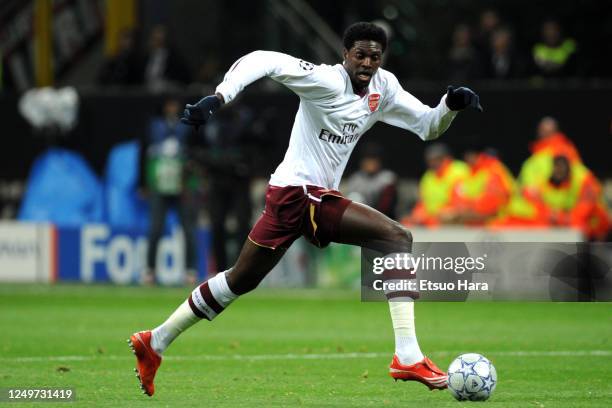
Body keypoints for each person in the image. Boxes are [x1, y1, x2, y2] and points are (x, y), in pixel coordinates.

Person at [128, 22, 482, 396]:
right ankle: (407, 355)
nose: (366, 63)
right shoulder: (324, 81)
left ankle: (156, 341)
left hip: (292, 195)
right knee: (397, 237)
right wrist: (219, 97)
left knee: (239, 280)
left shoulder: (385, 87)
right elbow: (264, 59)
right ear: (345, 55)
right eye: (359, 54)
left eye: (374, 56)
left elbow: (427, 127)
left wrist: (449, 106)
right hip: (299, 192)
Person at [139, 97, 199, 285]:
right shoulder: (154, 127)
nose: (172, 108)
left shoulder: (187, 126)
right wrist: (143, 183)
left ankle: (190, 270)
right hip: (159, 184)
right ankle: (150, 270)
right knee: (155, 228)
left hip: (182, 186)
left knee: (188, 228)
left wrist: (191, 182)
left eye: (175, 104)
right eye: (169, 104)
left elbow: (194, 155)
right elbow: (143, 155)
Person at [402, 143, 470, 227]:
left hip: (456, 221)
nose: (432, 163)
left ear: (446, 158)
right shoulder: (427, 176)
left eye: (436, 159)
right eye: (430, 160)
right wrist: (416, 216)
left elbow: (463, 202)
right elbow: (422, 203)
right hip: (432, 221)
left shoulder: (459, 170)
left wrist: (448, 211)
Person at [344, 143, 398, 219]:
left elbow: (386, 207)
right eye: (368, 160)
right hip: (360, 218)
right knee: (355, 197)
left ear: (380, 161)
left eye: (373, 159)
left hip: (383, 219)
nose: (370, 163)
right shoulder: (356, 178)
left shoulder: (387, 178)